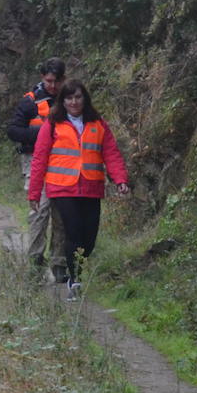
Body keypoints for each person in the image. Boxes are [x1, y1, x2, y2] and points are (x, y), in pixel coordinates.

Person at [27, 79, 130, 300]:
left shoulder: (98, 123)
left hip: (91, 187)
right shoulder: (53, 124)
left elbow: (111, 153)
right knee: (72, 232)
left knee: (89, 238)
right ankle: (74, 280)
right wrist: (34, 193)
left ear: (85, 99)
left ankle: (77, 271)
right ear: (62, 101)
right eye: (69, 98)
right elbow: (39, 159)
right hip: (62, 188)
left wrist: (120, 179)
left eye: (78, 97)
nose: (74, 102)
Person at [6, 58, 67, 280]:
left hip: (64, 164)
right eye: (49, 81)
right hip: (34, 160)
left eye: (57, 81)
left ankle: (59, 263)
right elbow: (12, 130)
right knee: (39, 211)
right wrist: (42, 136)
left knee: (61, 214)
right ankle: (35, 260)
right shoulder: (29, 102)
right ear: (42, 78)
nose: (52, 85)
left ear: (63, 79)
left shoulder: (70, 100)